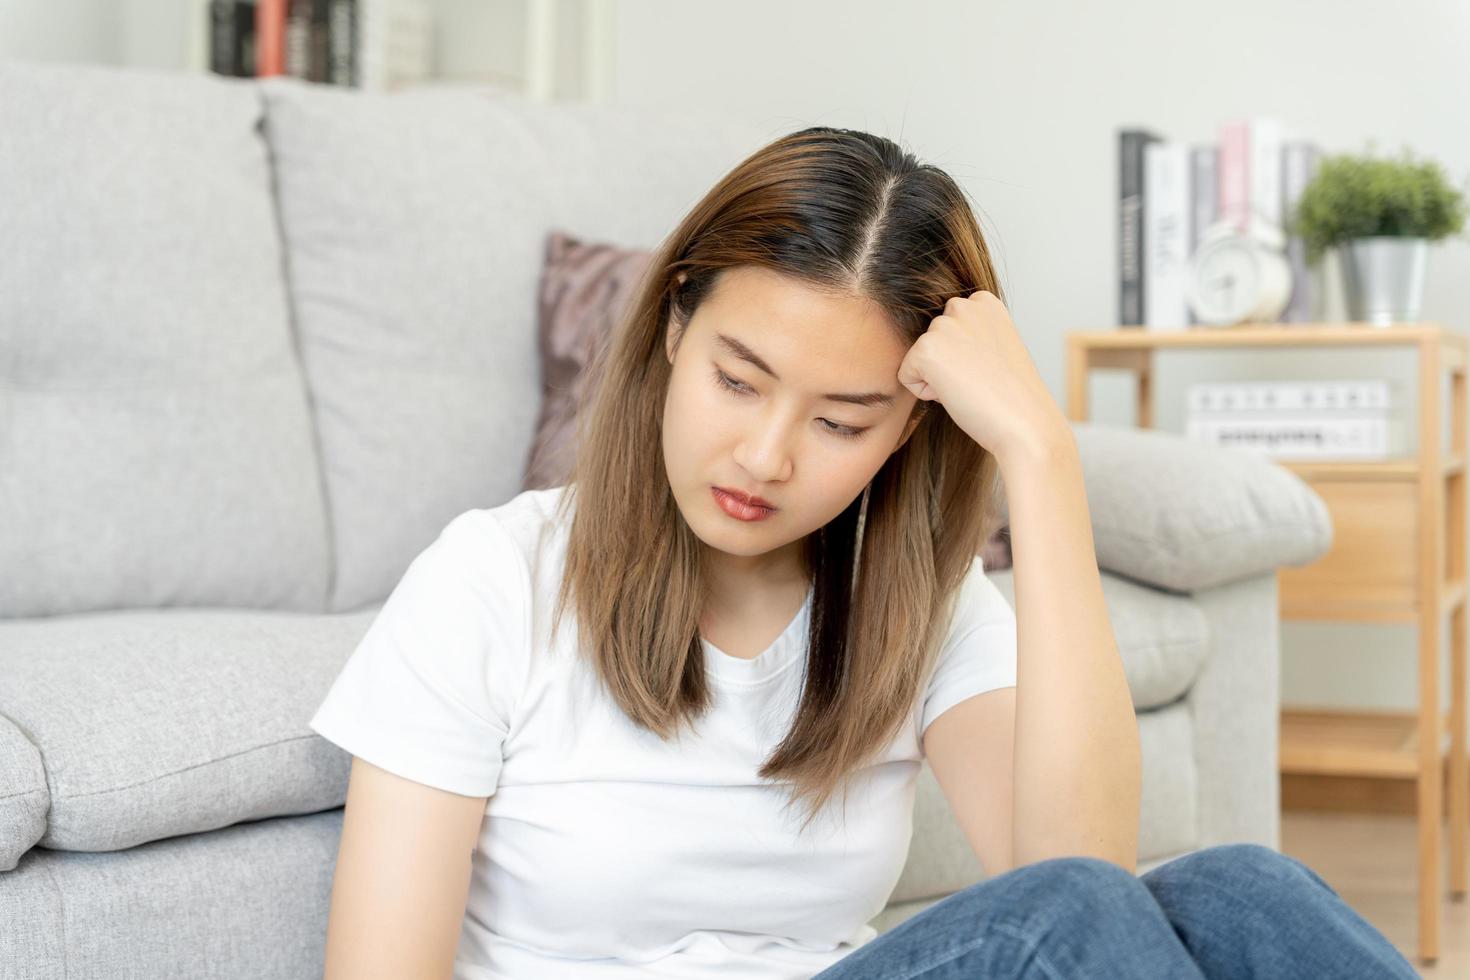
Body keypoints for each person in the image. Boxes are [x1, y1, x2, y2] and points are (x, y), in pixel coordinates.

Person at [307, 126, 1420, 979]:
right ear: (673, 326)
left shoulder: (919, 606)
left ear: (906, 428)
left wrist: (1041, 457)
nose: (765, 454)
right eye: (737, 380)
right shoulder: (491, 580)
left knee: (1239, 890)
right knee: (1061, 924)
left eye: (842, 421)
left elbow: (1081, 854)